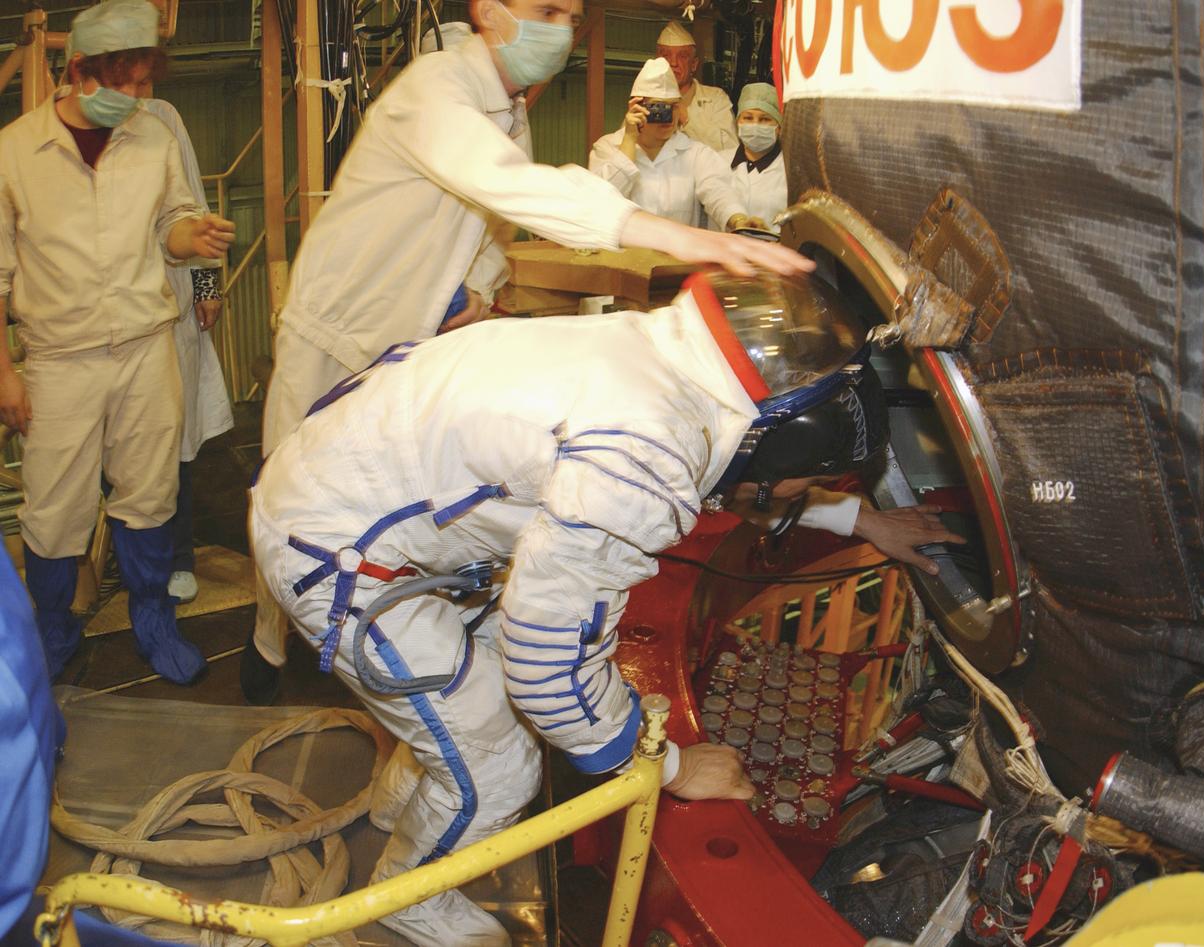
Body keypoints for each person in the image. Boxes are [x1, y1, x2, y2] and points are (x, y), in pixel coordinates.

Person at [250, 270, 962, 944]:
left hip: (345, 488)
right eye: (804, 477)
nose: (794, 488)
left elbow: (742, 475)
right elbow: (549, 669)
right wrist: (676, 766)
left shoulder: (671, 359)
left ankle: (406, 800)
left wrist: (861, 522)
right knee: (502, 763)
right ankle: (410, 891)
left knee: (466, 707)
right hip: (336, 548)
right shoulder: (640, 456)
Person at [241, 0, 814, 704]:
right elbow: (508, 185)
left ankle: (384, 643)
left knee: (390, 512)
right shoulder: (434, 88)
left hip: (405, 349)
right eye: (547, 10)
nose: (561, 30)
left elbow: (492, 229)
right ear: (489, 12)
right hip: (333, 337)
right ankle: (269, 647)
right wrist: (672, 235)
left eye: (571, 16)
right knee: (293, 505)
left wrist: (479, 290)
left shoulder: (510, 112)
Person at [0, 0, 235, 684]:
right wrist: (4, 374)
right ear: (78, 71)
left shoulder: (154, 140)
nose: (134, 98)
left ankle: (153, 619)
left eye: (142, 83)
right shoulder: (15, 151)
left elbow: (172, 223)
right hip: (57, 360)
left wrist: (190, 240)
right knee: (53, 508)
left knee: (151, 493)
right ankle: (54, 631)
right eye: (121, 82)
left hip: (143, 349)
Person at [139, 97, 235, 605]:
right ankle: (141, 565)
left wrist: (205, 287)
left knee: (176, 442)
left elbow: (193, 206)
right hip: (105, 327)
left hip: (168, 305)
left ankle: (178, 560)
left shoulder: (163, 117)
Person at [589, 58, 761, 231]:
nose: (667, 116)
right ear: (636, 107)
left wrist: (738, 220)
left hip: (676, 256)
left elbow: (718, 192)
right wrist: (629, 139)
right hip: (624, 255)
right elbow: (600, 200)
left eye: (673, 107)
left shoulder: (696, 153)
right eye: (658, 108)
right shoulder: (607, 147)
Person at [655, 19, 737, 153]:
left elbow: (730, 148)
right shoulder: (646, 99)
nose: (673, 63)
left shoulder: (716, 98)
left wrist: (687, 119)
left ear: (693, 64)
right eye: (666, 55)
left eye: (682, 56)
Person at [722, 82, 788, 234]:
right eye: (748, 117)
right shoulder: (717, 161)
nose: (755, 125)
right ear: (738, 122)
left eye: (765, 119)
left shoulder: (789, 170)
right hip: (723, 254)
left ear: (779, 126)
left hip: (772, 254)